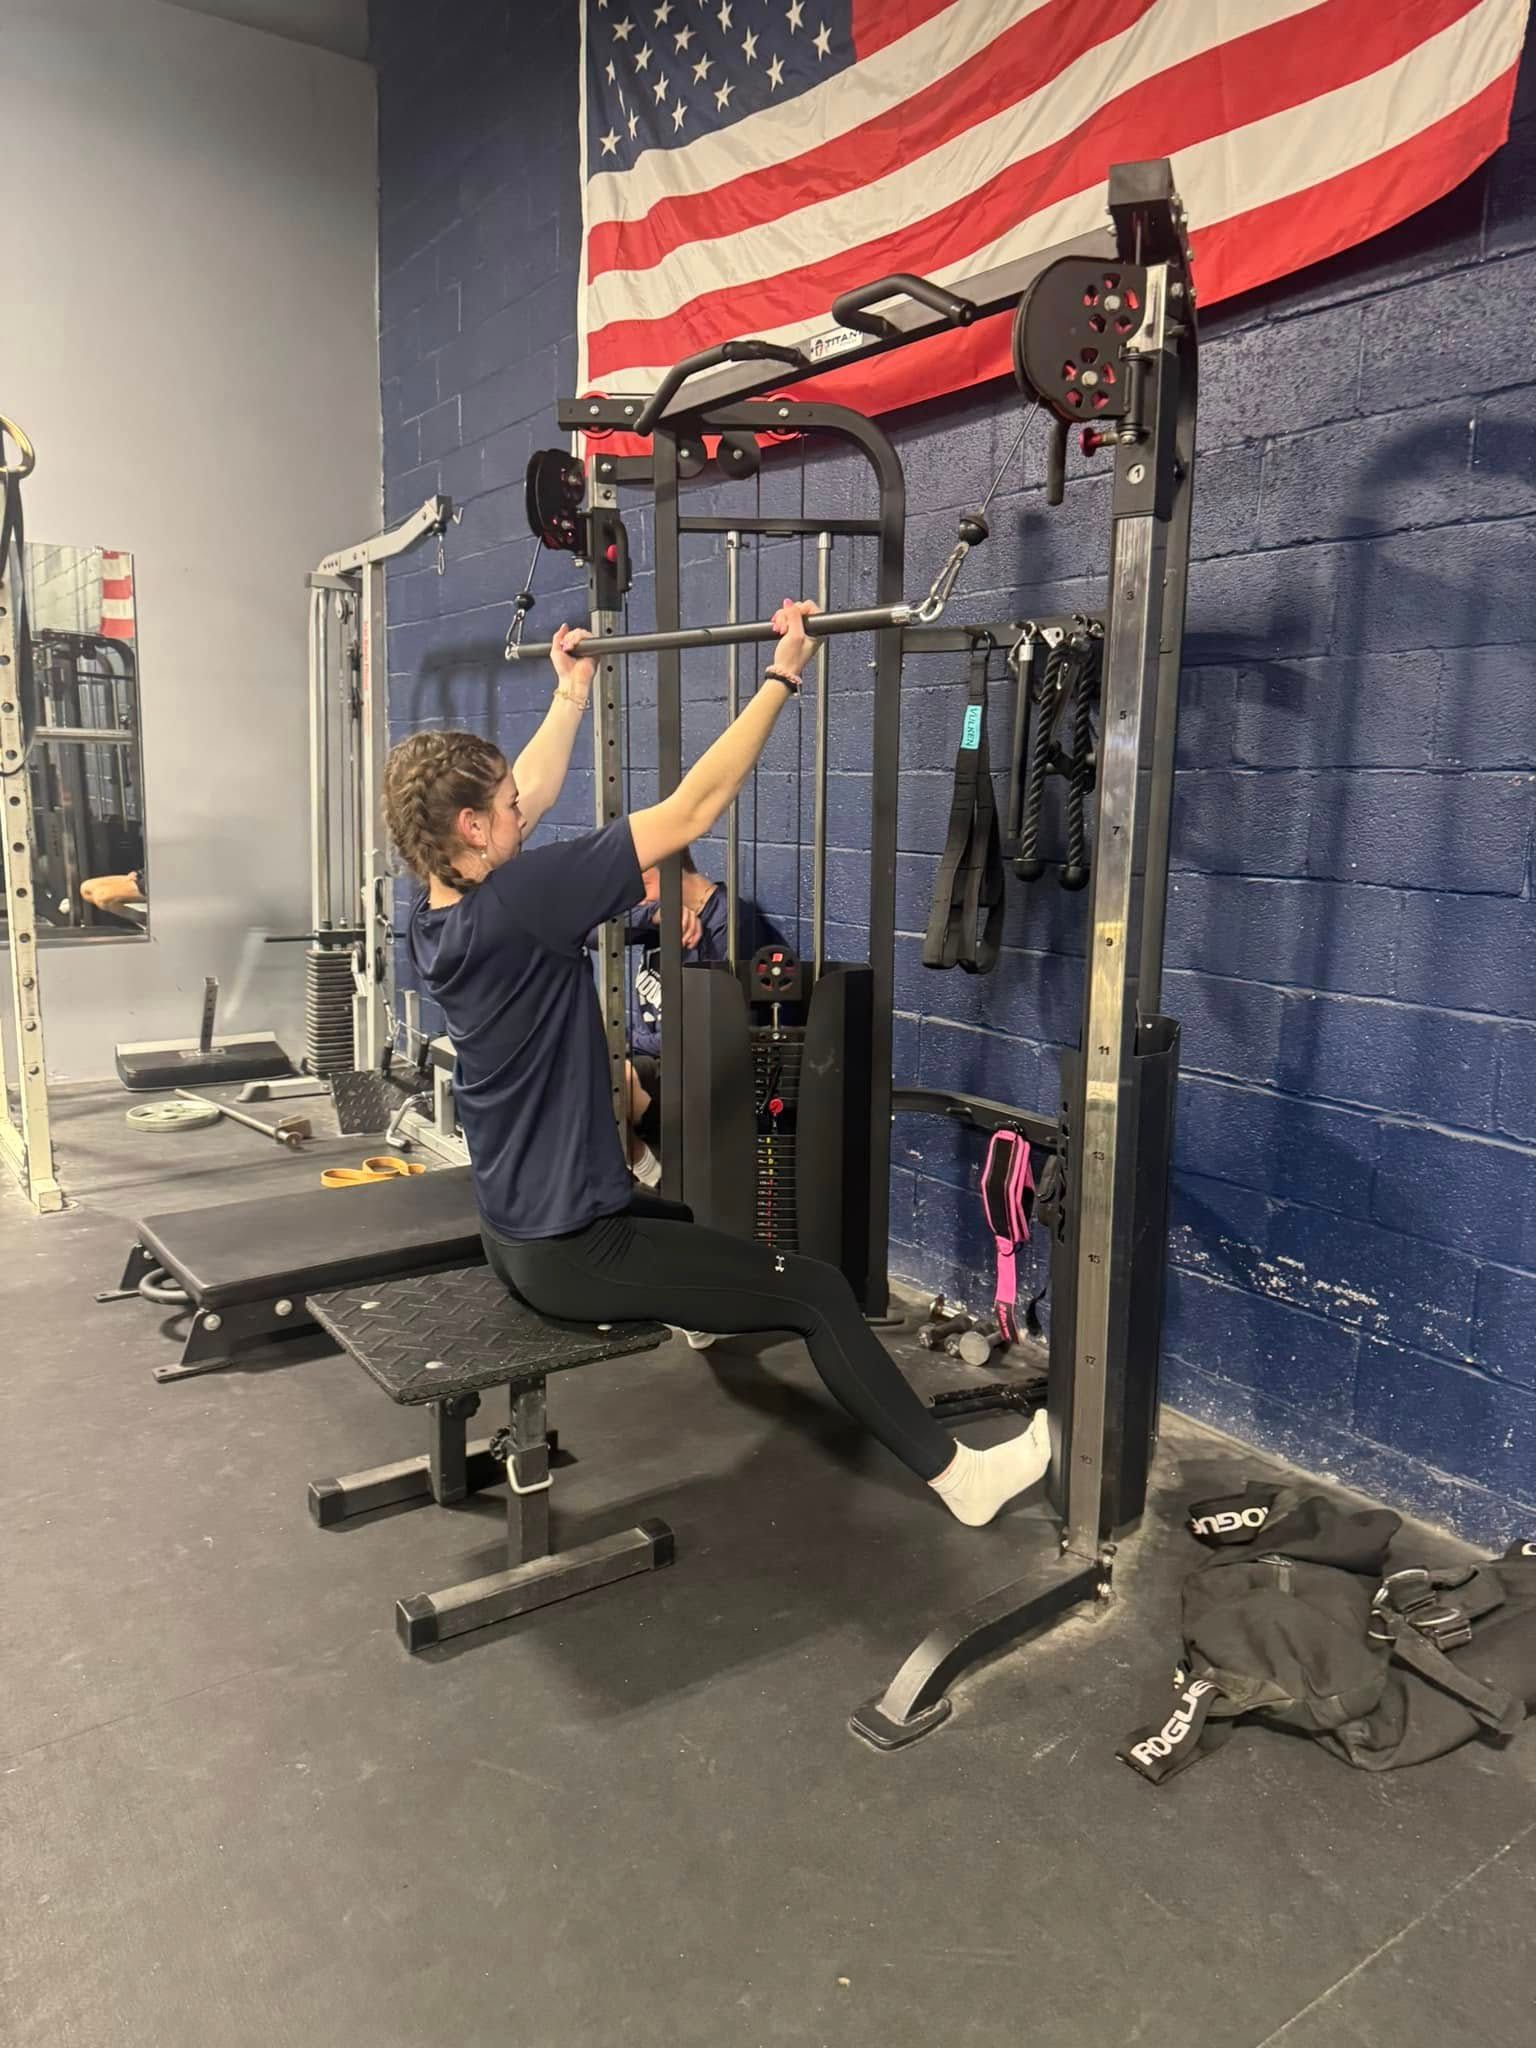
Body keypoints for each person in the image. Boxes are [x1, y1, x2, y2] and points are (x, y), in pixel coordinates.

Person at [382, 603, 1049, 1528]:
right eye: (502, 808)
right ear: (471, 826)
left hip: (514, 1226)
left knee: (685, 1214)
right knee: (815, 1291)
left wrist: (571, 696)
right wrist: (784, 674)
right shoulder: (527, 900)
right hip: (574, 1250)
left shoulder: (427, 908)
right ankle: (960, 1481)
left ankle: (704, 1301)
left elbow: (521, 794)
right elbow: (694, 809)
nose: (521, 811)